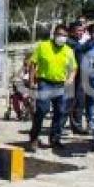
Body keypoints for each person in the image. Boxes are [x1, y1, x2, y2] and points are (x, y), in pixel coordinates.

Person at [27, 24, 77, 152]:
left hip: (61, 84)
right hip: (45, 82)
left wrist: (71, 78)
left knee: (60, 112)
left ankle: (55, 139)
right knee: (42, 110)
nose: (62, 37)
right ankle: (34, 138)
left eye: (65, 36)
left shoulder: (68, 50)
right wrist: (32, 81)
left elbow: (74, 68)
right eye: (60, 34)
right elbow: (33, 64)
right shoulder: (43, 46)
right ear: (54, 34)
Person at [63, 21, 87, 134]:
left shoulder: (77, 43)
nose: (81, 33)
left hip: (80, 77)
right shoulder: (69, 42)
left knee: (80, 102)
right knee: (68, 103)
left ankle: (77, 126)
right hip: (71, 77)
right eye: (79, 30)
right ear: (71, 31)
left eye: (82, 31)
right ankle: (60, 127)